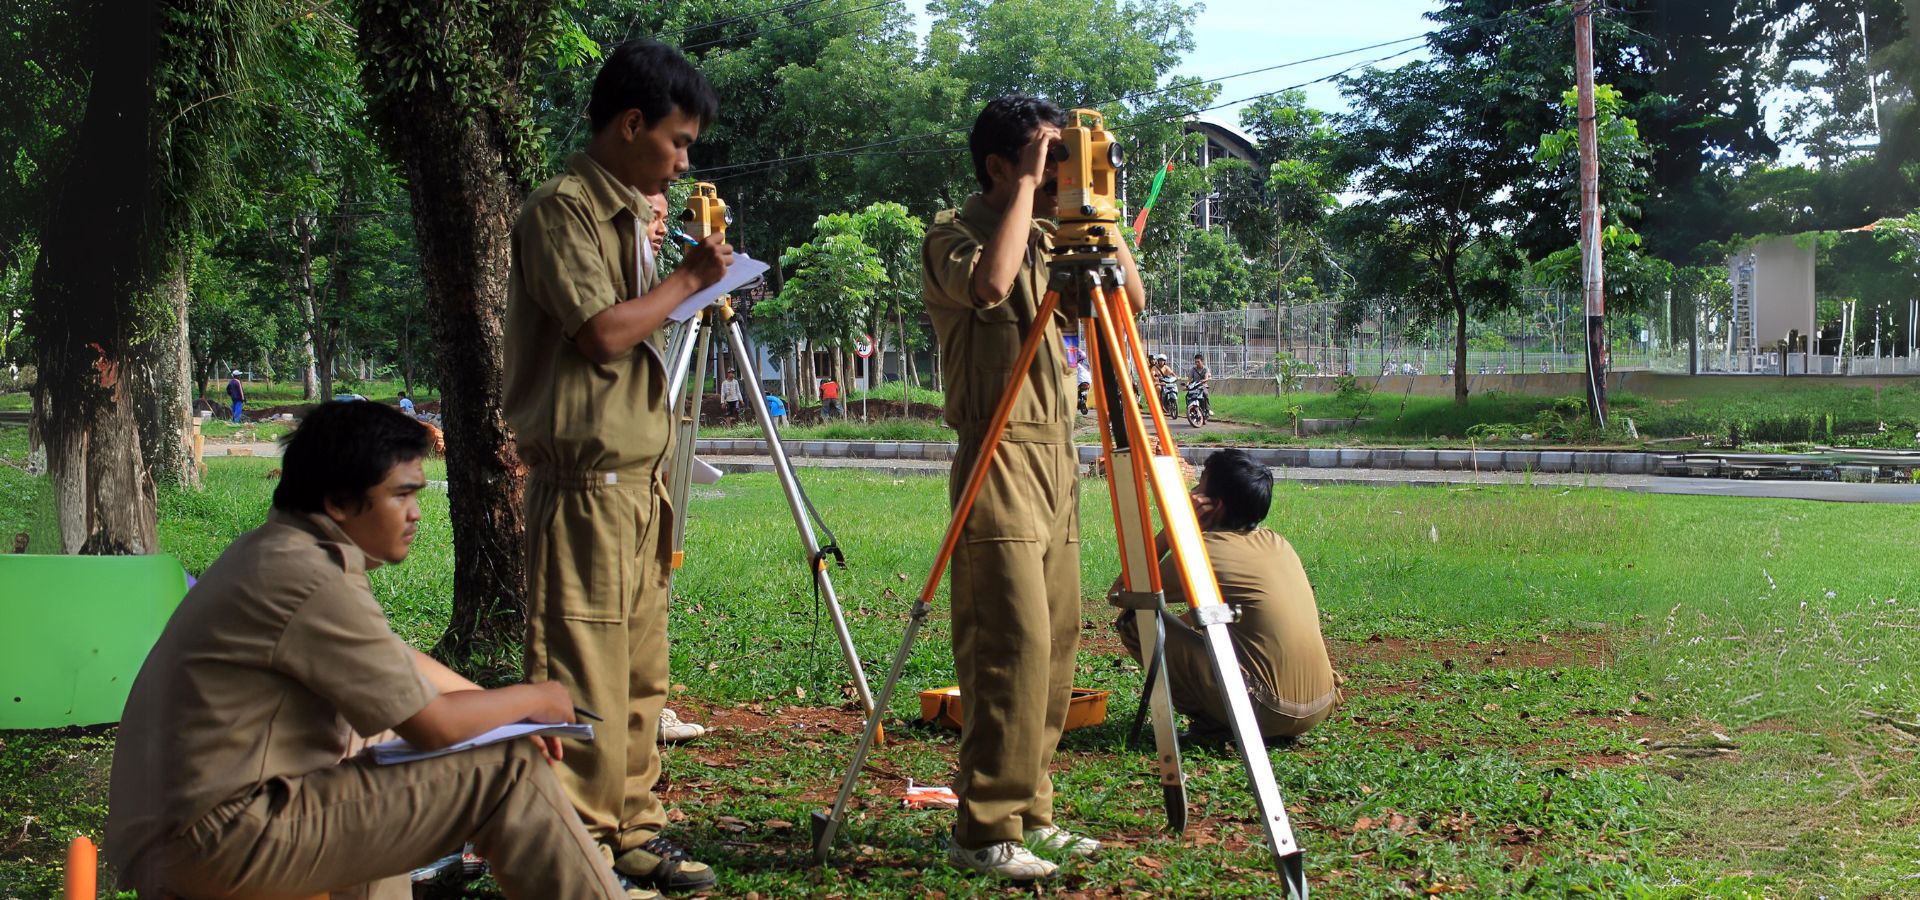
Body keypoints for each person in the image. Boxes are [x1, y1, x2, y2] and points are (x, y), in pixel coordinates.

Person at [105, 401, 626, 899]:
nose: (416, 515)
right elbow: (434, 725)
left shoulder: (280, 552)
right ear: (337, 501)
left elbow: (398, 666)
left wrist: (499, 715)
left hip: (182, 832)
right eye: (401, 495)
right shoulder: (307, 578)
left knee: (384, 756)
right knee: (508, 771)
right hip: (216, 838)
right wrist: (536, 700)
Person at [502, 37, 731, 898]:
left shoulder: (633, 215)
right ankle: (579, 848)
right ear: (631, 125)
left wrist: (689, 282)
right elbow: (600, 334)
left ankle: (635, 827)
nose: (682, 161)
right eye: (676, 142)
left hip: (641, 478)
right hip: (586, 480)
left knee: (640, 673)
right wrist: (684, 280)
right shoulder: (562, 211)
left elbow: (639, 327)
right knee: (581, 672)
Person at [922, 94, 1146, 882]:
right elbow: (989, 287)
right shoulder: (954, 235)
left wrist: (1102, 206)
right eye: (1048, 158)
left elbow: (1129, 303)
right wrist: (1026, 192)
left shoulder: (1061, 237)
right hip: (997, 455)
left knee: (1055, 645)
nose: (1059, 174)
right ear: (1001, 165)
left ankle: (1032, 813)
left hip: (1060, 457)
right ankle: (982, 826)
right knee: (1007, 646)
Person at [1115, 448, 1340, 745]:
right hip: (1320, 704)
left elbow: (1122, 592)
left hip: (1269, 712)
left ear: (1213, 507)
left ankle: (1214, 726)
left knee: (1136, 620)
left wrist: (1174, 527)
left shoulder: (1207, 552)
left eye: (1199, 486)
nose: (1191, 492)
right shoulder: (1277, 543)